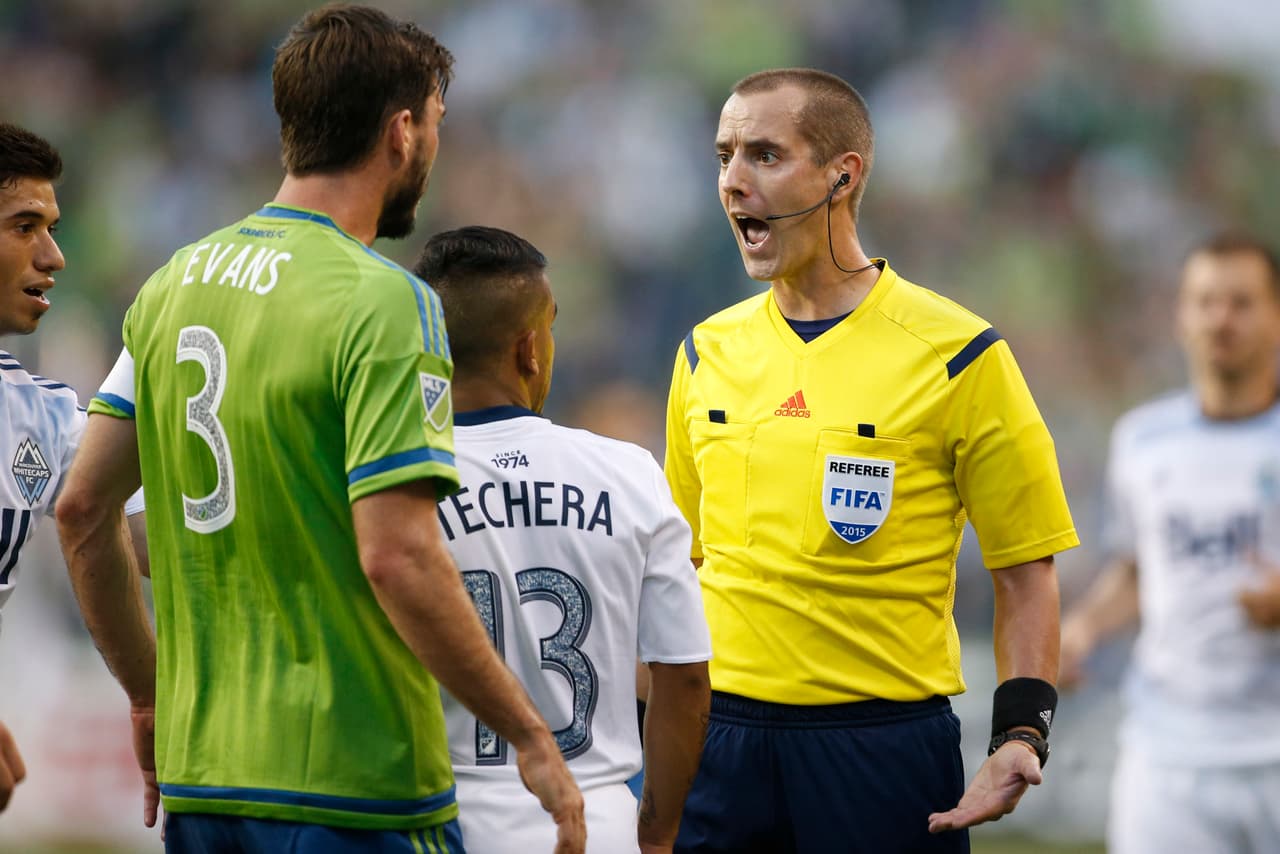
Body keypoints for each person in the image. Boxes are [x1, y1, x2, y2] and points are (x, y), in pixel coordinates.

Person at [53, 7, 584, 853]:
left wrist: (150, 695)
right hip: (353, 789)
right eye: (436, 124)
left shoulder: (170, 285)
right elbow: (397, 553)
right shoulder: (385, 300)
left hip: (204, 791)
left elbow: (82, 510)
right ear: (401, 132)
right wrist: (528, 733)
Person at [663, 67, 1079, 853]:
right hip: (719, 742)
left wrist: (1022, 732)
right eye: (724, 157)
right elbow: (680, 563)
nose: (732, 182)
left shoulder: (961, 354)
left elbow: (1025, 568)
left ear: (841, 176)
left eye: (763, 155)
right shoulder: (704, 353)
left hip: (879, 746)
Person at [413, 226, 712, 854]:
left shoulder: (386, 486)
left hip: (437, 824)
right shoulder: (629, 473)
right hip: (594, 822)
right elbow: (683, 681)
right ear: (529, 349)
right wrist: (656, 834)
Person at [1059, 234, 1280, 854]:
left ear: (1276, 314)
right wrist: (1082, 628)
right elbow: (1137, 571)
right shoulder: (1143, 439)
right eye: (1205, 301)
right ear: (1181, 315)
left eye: (1241, 302)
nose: (1221, 319)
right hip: (1169, 751)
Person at [0, 122, 146, 815]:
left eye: (51, 227)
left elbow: (140, 532)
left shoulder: (37, 412)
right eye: (25, 226)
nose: (54, 256)